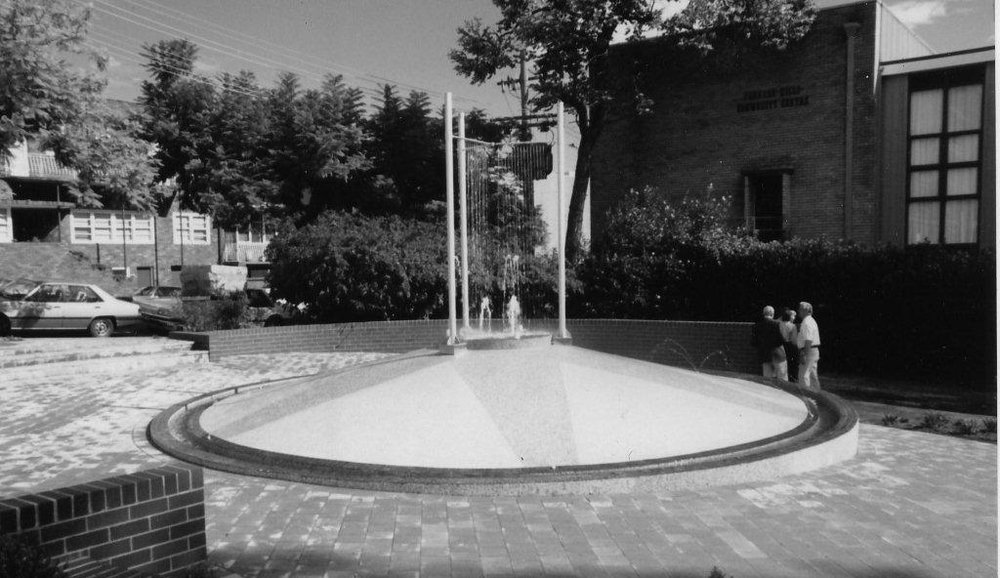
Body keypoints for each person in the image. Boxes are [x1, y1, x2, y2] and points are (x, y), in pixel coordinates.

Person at [751, 305, 787, 380]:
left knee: (767, 379)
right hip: (778, 354)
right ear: (772, 314)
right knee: (782, 378)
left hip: (765, 355)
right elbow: (782, 340)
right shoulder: (777, 324)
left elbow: (753, 342)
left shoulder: (756, 326)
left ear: (763, 313)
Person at [796, 301, 821, 389]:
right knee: (812, 376)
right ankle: (816, 397)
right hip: (813, 350)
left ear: (806, 311)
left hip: (808, 350)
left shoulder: (806, 322)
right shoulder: (811, 321)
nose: (799, 311)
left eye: (800, 309)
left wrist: (804, 354)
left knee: (804, 375)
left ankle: (806, 397)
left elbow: (808, 340)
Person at [779, 307, 798, 382]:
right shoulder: (792, 326)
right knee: (791, 363)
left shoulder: (779, 325)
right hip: (789, 345)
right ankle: (791, 378)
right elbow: (794, 340)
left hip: (780, 344)